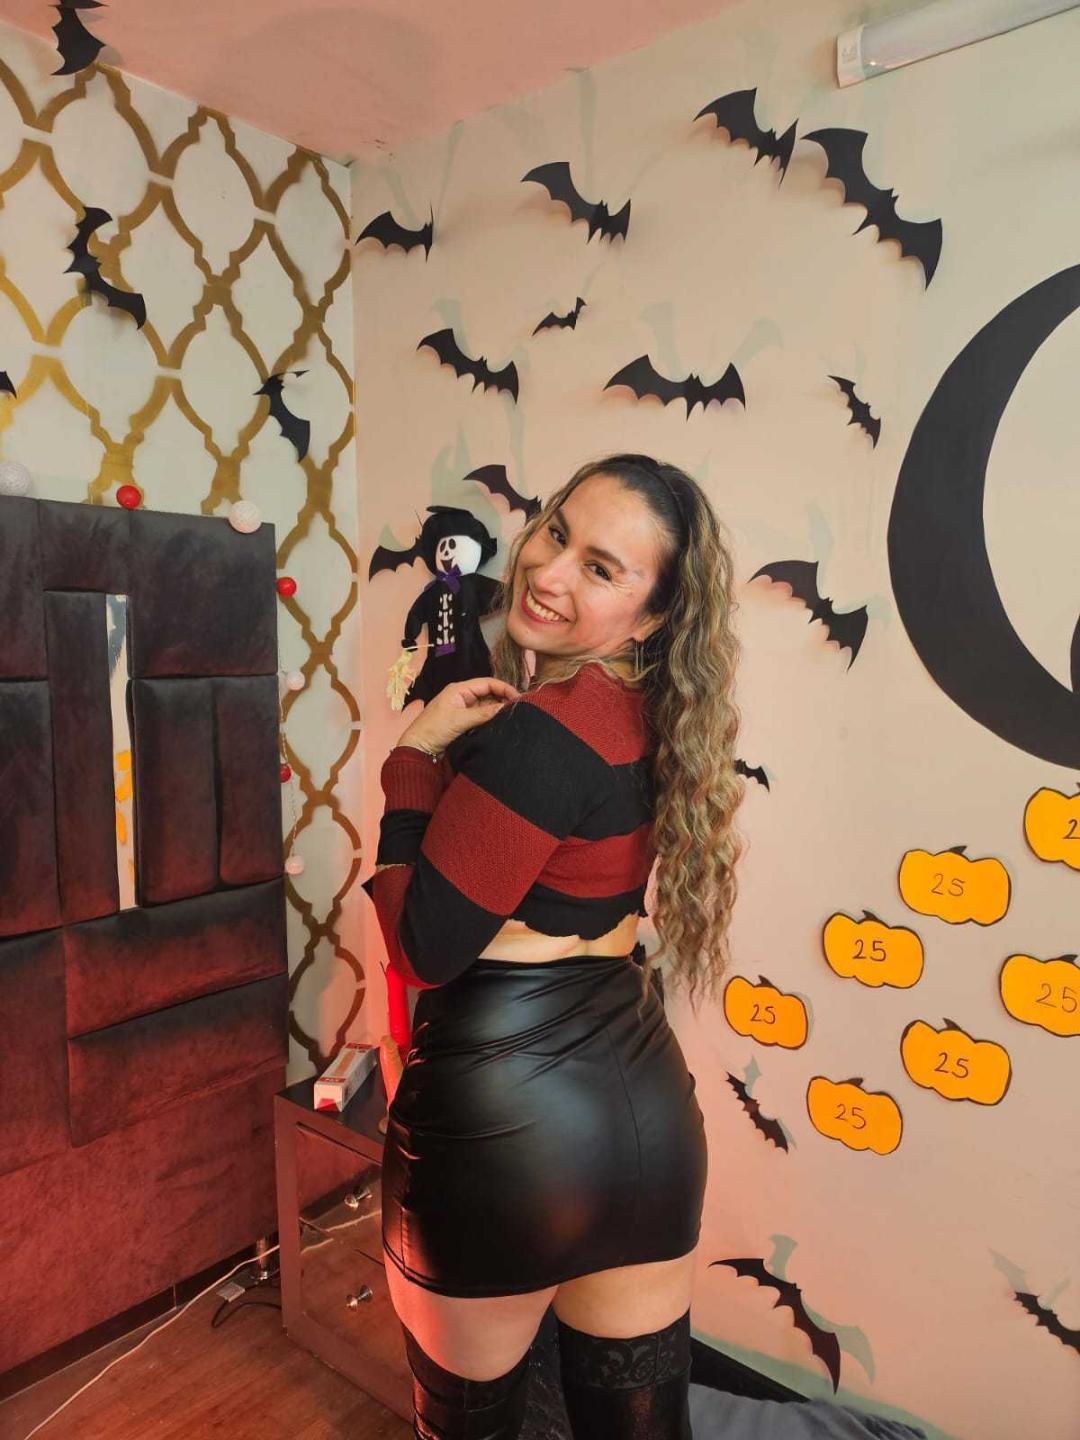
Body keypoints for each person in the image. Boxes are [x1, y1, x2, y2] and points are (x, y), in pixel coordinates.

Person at [364, 453, 744, 1439]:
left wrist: (413, 758)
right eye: (557, 531)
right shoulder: (658, 717)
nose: (549, 570)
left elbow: (423, 948)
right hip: (644, 1124)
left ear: (651, 617)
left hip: (504, 1130)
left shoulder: (546, 731)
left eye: (601, 568)